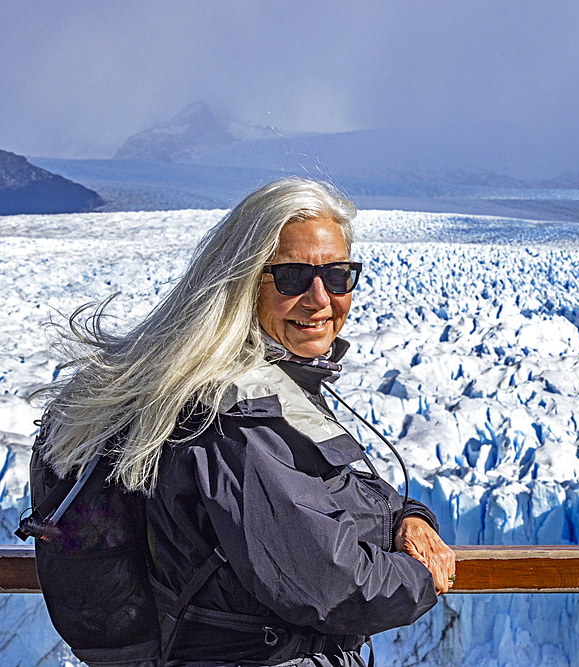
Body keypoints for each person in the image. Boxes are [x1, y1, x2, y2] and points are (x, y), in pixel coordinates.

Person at [34, 177, 455, 666]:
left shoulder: (259, 384)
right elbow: (333, 586)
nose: (320, 298)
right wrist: (423, 575)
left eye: (337, 275)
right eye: (292, 277)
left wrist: (408, 517)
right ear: (244, 282)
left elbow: (331, 503)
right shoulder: (234, 417)